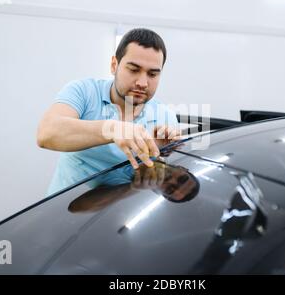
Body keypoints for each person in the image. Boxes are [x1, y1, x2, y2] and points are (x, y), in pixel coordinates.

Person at [37, 28, 181, 195]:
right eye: (134, 70)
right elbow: (46, 134)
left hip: (118, 214)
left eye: (152, 74)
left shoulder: (166, 117)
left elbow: (156, 183)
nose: (143, 82)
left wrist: (158, 155)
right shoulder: (84, 91)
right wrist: (112, 129)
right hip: (65, 212)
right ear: (114, 65)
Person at [68, 161, 200, 213]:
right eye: (182, 179)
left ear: (156, 191)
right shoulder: (162, 144)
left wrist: (133, 187)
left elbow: (77, 208)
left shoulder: (124, 184)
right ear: (183, 168)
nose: (171, 180)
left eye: (169, 189)